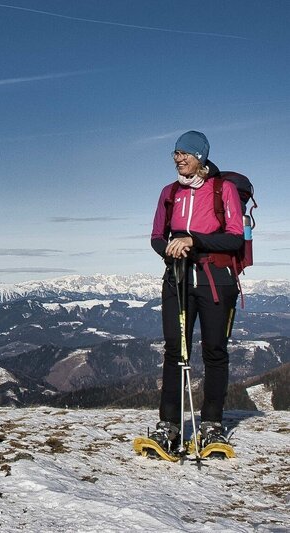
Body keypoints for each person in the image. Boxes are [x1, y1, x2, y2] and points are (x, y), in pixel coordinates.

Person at [149, 130, 243, 452]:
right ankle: (169, 426)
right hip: (177, 279)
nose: (178, 159)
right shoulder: (169, 192)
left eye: (184, 153)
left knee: (215, 350)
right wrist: (169, 249)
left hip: (217, 281)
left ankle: (212, 425)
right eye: (175, 153)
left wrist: (194, 241)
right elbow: (156, 236)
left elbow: (235, 237)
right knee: (175, 351)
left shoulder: (223, 190)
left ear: (199, 156)